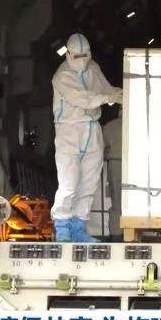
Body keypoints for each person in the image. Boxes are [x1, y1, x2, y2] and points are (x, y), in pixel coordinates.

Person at [51, 33, 122, 242]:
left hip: (92, 129)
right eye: (77, 56)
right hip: (69, 131)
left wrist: (123, 94)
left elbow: (107, 89)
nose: (82, 60)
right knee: (69, 182)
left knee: (89, 182)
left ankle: (78, 228)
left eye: (85, 55)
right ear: (68, 54)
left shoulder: (93, 68)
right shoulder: (61, 76)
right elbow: (82, 98)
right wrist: (108, 98)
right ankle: (62, 227)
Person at [102, 110, 122, 242]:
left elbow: (102, 150)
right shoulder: (142, 123)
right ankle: (136, 230)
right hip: (138, 164)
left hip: (115, 164)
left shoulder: (110, 126)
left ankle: (116, 235)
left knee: (117, 202)